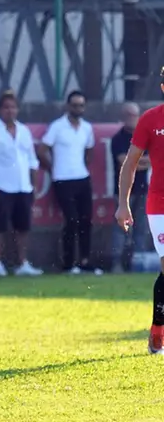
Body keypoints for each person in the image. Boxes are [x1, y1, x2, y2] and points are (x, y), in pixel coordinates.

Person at [115, 67, 164, 355]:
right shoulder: (150, 119)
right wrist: (123, 203)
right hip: (160, 203)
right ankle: (158, 332)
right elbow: (130, 163)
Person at [0, 90, 42, 276]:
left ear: (18, 109)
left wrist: (34, 185)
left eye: (13, 107)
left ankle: (22, 263)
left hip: (23, 186)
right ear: (0, 110)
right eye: (6, 107)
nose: (10, 111)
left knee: (23, 227)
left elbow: (32, 160)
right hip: (1, 187)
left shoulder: (24, 131)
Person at [37, 90, 100, 275]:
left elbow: (89, 151)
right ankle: (69, 263)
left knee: (86, 220)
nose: (77, 108)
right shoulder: (57, 126)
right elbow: (42, 150)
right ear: (67, 106)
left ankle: (85, 261)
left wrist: (81, 167)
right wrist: (52, 169)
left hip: (82, 178)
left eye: (81, 105)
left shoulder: (87, 128)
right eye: (74, 105)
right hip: (62, 180)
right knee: (71, 220)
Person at [111, 102, 150, 273]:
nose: (131, 119)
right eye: (128, 115)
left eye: (133, 115)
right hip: (123, 191)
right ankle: (116, 264)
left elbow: (153, 160)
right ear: (122, 117)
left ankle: (139, 263)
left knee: (142, 228)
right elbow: (122, 162)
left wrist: (133, 162)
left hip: (143, 189)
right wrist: (137, 162)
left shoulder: (146, 136)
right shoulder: (118, 139)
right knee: (121, 229)